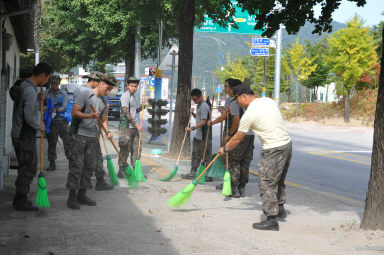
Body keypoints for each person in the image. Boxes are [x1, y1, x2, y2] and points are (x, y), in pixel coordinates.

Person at [218, 84, 292, 231]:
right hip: (287, 145)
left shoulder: (249, 114)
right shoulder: (269, 101)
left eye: (238, 100)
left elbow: (238, 138)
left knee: (266, 183)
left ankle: (271, 220)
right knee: (279, 180)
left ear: (244, 96)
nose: (238, 104)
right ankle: (280, 209)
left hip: (273, 149)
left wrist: (225, 148)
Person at [66, 74, 116, 209]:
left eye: (110, 89)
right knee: (77, 166)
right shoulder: (84, 93)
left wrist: (107, 132)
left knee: (89, 167)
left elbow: (103, 118)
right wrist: (90, 115)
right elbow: (74, 113)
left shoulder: (103, 101)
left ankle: (82, 194)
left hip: (93, 136)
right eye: (107, 88)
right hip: (79, 134)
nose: (108, 91)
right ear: (100, 84)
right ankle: (71, 197)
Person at [11, 62, 52, 211]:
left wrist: (37, 99)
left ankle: (19, 198)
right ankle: (21, 199)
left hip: (21, 134)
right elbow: (28, 115)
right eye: (47, 78)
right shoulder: (29, 90)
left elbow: (26, 107)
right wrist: (39, 126)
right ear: (42, 76)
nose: (47, 81)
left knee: (25, 166)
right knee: (28, 167)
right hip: (24, 135)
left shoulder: (28, 88)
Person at [209, 78, 254, 198]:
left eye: (226, 87)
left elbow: (236, 121)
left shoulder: (235, 103)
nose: (225, 89)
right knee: (245, 162)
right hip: (250, 135)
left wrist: (229, 134)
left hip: (239, 135)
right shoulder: (251, 103)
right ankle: (241, 187)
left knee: (234, 162)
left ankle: (234, 189)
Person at [117, 77, 145, 178]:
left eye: (135, 86)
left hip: (134, 128)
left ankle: (135, 170)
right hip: (126, 128)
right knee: (125, 149)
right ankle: (122, 170)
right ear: (127, 86)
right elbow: (126, 112)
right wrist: (136, 125)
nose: (134, 88)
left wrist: (141, 108)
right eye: (132, 86)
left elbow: (133, 112)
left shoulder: (133, 96)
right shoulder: (125, 96)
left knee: (136, 149)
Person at [182, 88, 212, 179]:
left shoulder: (204, 106)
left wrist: (192, 128)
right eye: (193, 99)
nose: (194, 101)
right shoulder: (199, 105)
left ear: (200, 97)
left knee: (205, 156)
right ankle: (193, 172)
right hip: (198, 136)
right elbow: (199, 118)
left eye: (195, 99)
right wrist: (192, 114)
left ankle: (207, 175)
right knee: (195, 154)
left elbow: (203, 122)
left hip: (204, 136)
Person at [45, 75, 71, 171]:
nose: (54, 85)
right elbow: (42, 104)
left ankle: (70, 161)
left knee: (67, 142)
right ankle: (52, 163)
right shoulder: (46, 93)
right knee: (52, 143)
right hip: (52, 122)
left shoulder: (63, 93)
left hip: (63, 121)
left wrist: (57, 109)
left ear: (59, 83)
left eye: (56, 84)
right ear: (50, 83)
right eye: (52, 84)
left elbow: (64, 106)